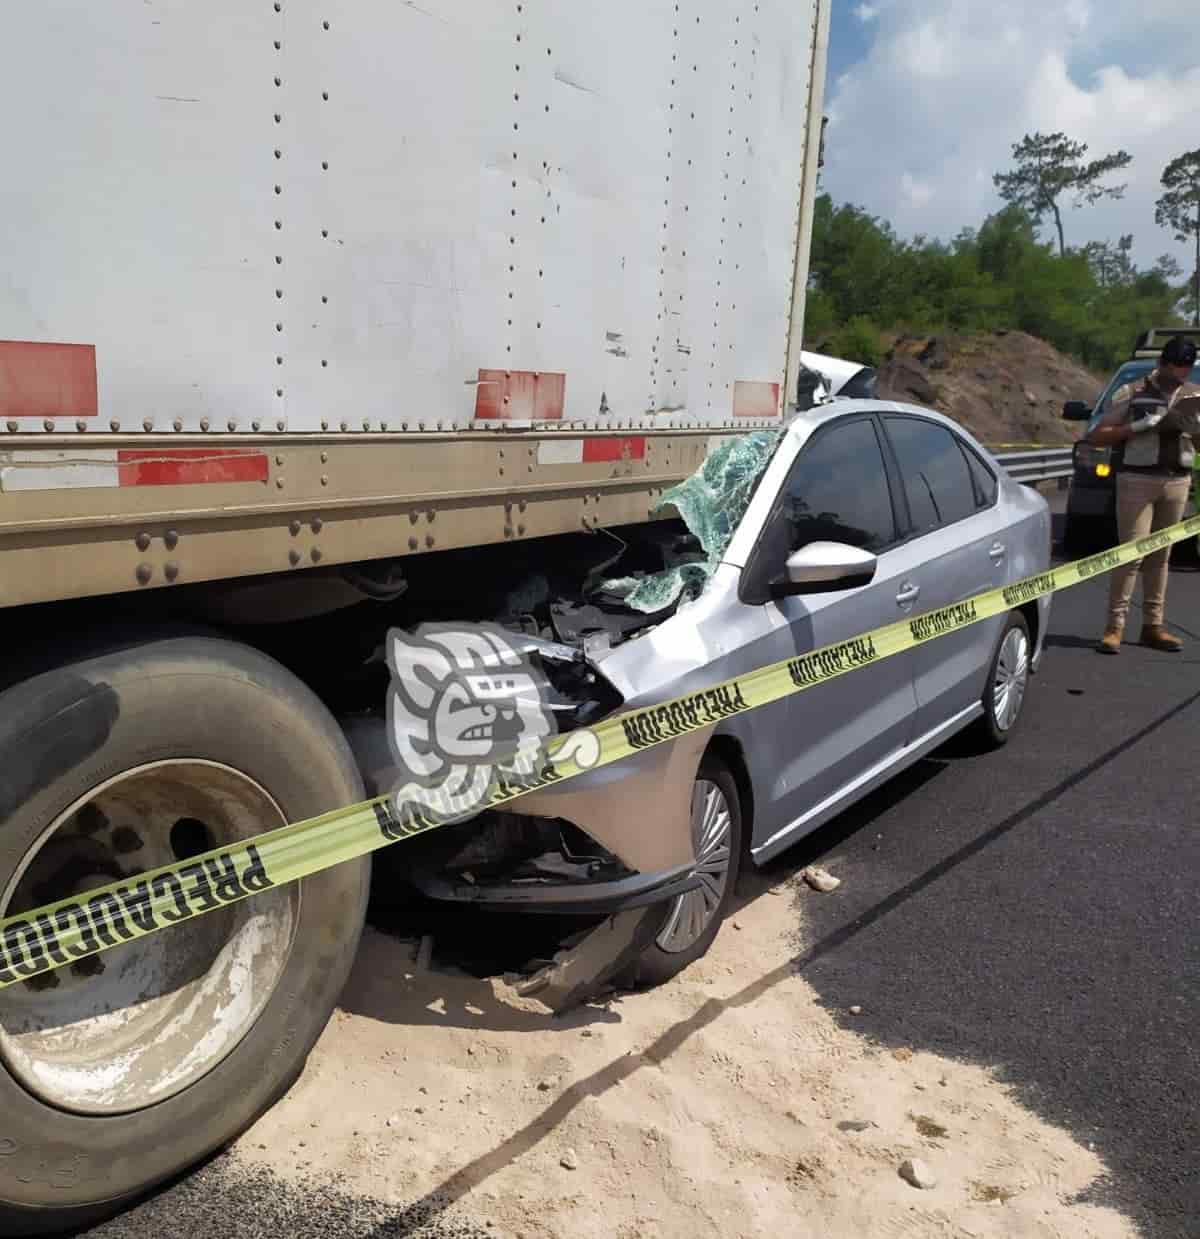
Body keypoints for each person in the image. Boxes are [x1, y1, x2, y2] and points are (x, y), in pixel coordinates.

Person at [1087, 334, 1200, 654]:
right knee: (1130, 554)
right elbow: (1097, 435)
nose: (1179, 374)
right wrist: (1134, 428)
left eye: (1185, 368)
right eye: (1175, 366)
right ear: (1161, 363)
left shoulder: (1195, 394)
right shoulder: (1132, 392)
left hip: (1177, 481)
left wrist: (1193, 429)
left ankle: (1153, 626)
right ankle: (1114, 628)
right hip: (1137, 479)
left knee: (1161, 557)